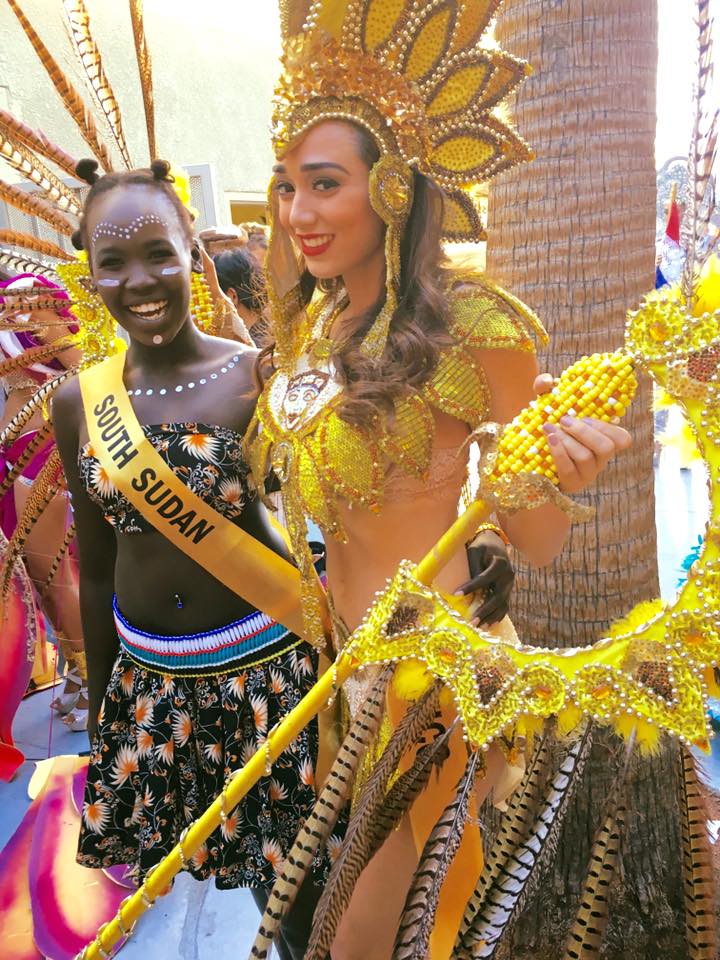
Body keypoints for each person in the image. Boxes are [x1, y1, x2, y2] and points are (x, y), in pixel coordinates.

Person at [245, 5, 632, 958]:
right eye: (289, 187)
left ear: (392, 184)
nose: (299, 214)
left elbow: (537, 541)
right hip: (348, 667)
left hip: (431, 669)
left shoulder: (474, 329)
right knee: (391, 917)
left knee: (398, 920)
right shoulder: (315, 327)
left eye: (325, 185)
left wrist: (546, 471)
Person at [51, 158, 327, 960]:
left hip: (266, 674)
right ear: (91, 273)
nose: (139, 280)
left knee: (297, 887)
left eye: (158, 254)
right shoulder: (81, 402)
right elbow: (97, 567)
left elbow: (335, 511)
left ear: (189, 255)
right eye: (114, 262)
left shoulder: (253, 379)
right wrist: (108, 715)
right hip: (154, 688)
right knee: (235, 873)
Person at [0, 274, 87, 730]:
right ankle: (77, 671)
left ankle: (94, 677)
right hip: (11, 451)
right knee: (37, 574)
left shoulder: (28, 292)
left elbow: (83, 364)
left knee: (55, 571)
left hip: (39, 447)